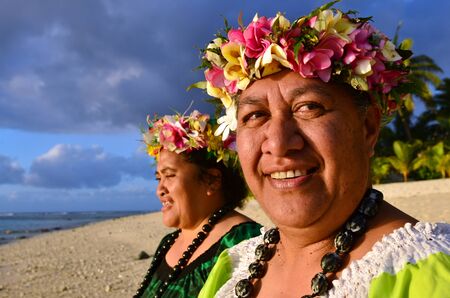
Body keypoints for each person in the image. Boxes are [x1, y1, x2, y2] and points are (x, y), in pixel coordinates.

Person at [191, 2, 450, 297]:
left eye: (309, 107)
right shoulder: (232, 266)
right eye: (255, 115)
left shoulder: (429, 272)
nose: (278, 142)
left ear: (367, 128)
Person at [134, 110, 262, 298]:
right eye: (158, 178)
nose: (160, 189)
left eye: (169, 175)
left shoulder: (244, 242)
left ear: (212, 180)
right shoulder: (168, 243)